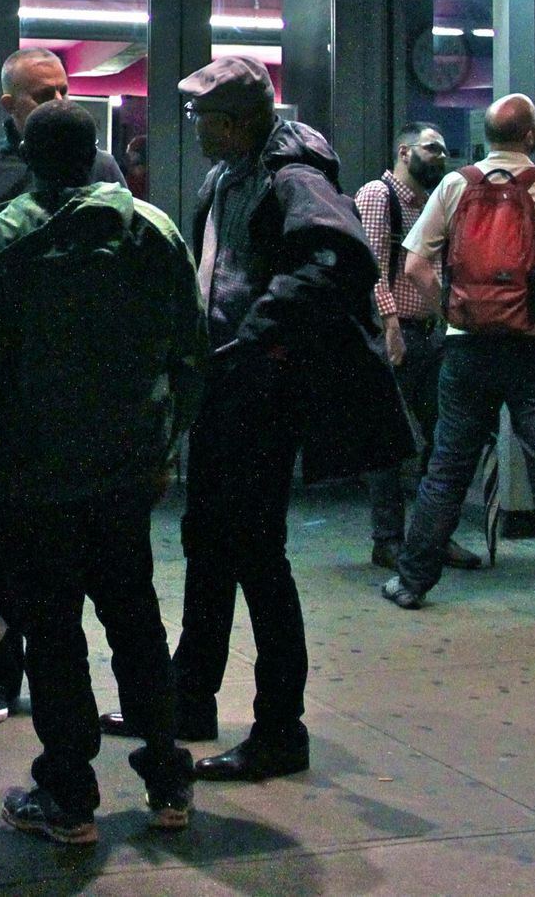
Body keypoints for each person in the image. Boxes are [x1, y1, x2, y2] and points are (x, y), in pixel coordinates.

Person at [0, 103, 204, 846]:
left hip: (30, 479)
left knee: (53, 632)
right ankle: (168, 775)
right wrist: (163, 446)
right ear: (95, 154)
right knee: (137, 621)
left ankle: (70, 793)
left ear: (26, 155)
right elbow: (190, 350)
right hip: (122, 472)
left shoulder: (1, 239)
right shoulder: (151, 230)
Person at [172, 55, 410, 782]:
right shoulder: (229, 176)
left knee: (254, 554)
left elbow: (340, 257)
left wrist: (257, 331)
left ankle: (281, 727)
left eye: (205, 117)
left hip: (258, 389)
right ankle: (188, 698)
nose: (196, 129)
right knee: (209, 544)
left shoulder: (291, 174)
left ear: (239, 121)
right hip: (227, 380)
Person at [381, 93, 535, 627]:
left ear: (487, 137)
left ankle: (412, 581)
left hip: (466, 345)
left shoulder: (454, 184)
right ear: (532, 136)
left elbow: (416, 263)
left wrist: (450, 310)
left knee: (448, 463)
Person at [0, 46, 122, 725]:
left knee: (66, 540)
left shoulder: (96, 166)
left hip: (70, 384)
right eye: (44, 91)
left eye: (66, 87)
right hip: (0, 381)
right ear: (10, 102)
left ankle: (55, 666)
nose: (59, 99)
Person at [355, 122, 479, 573]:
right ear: (404, 151)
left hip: (429, 332)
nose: (441, 157)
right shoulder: (377, 197)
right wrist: (389, 324)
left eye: (444, 151)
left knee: (447, 433)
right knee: (388, 437)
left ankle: (432, 533)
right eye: (432, 149)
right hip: (396, 330)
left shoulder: (431, 203)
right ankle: (388, 539)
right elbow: (370, 268)